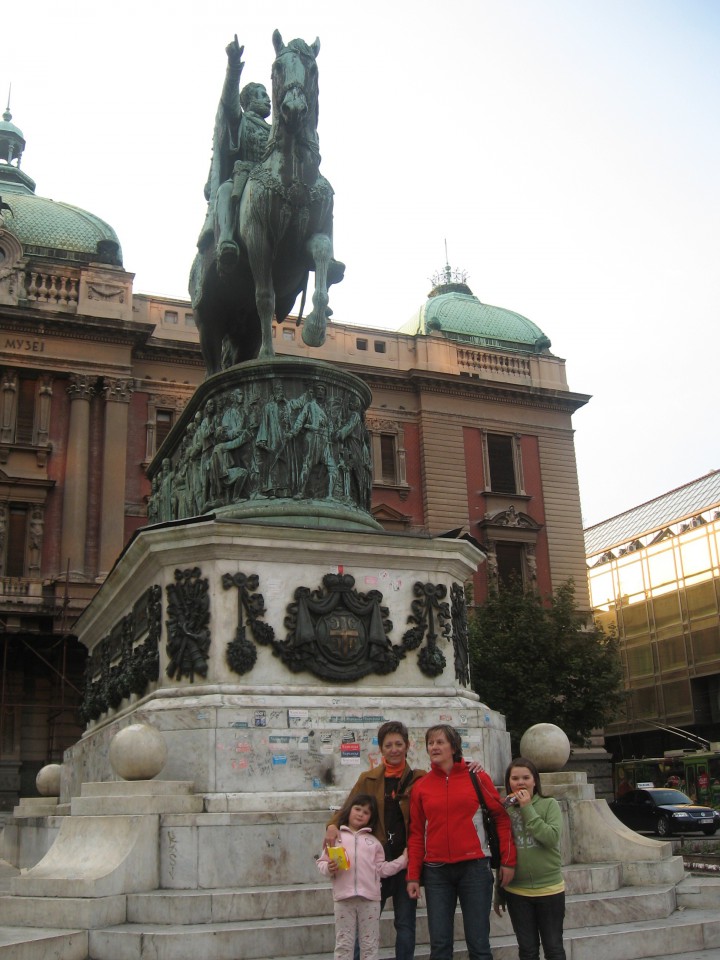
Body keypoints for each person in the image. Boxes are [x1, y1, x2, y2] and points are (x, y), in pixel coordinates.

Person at [406, 724, 516, 960]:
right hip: (436, 872)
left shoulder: (477, 777)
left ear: (454, 747)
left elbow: (500, 817)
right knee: (440, 946)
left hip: (474, 868)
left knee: (478, 944)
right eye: (431, 743)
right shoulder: (421, 787)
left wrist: (508, 860)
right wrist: (413, 875)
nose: (434, 747)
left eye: (440, 742)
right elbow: (416, 834)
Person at [324, 721, 425, 960]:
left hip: (404, 861)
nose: (394, 749)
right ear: (381, 749)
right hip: (373, 863)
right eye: (388, 745)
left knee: (405, 923)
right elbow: (349, 807)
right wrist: (331, 824)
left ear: (407, 746)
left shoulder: (419, 778)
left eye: (399, 744)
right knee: (363, 926)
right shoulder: (368, 778)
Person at [198, 35, 272, 270]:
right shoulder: (240, 121)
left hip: (272, 183)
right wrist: (233, 68)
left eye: (267, 95)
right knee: (226, 189)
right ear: (248, 101)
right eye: (261, 95)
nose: (268, 99)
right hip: (244, 177)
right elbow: (229, 103)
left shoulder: (277, 132)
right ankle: (226, 240)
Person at [318, 793, 408, 960]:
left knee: (370, 944)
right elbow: (322, 863)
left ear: (371, 818)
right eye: (357, 809)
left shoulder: (374, 843)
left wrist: (403, 860)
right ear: (348, 810)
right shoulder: (335, 838)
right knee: (344, 943)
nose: (360, 814)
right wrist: (328, 868)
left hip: (370, 900)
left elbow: (382, 869)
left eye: (366, 812)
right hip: (343, 899)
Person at [499, 757, 565, 960]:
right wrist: (498, 892)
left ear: (535, 780)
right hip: (517, 891)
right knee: (527, 950)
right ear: (508, 781)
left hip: (549, 889)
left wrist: (527, 807)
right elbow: (502, 851)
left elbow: (550, 837)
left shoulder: (548, 804)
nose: (520, 782)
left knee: (553, 948)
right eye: (515, 778)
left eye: (526, 777)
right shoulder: (505, 810)